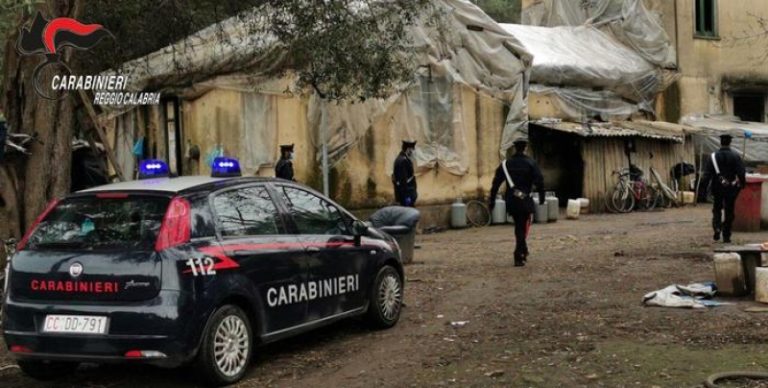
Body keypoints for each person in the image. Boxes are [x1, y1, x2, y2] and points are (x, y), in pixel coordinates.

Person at [489, 138, 545, 267]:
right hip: (526, 200)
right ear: (525, 147)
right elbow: (540, 182)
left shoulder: (505, 164)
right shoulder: (531, 163)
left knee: (518, 226)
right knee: (521, 226)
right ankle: (518, 254)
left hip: (512, 200)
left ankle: (523, 250)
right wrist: (542, 197)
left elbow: (495, 183)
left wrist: (492, 200)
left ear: (514, 148)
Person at [702, 134, 746, 243]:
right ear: (730, 143)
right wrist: (743, 184)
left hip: (717, 187)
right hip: (731, 188)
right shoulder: (736, 156)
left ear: (720, 142)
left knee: (717, 208)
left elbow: (706, 175)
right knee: (729, 211)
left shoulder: (712, 157)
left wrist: (702, 191)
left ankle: (717, 227)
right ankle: (726, 235)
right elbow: (741, 173)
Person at [392, 140, 418, 207]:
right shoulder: (402, 161)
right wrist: (407, 197)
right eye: (413, 149)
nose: (414, 151)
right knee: (409, 215)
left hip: (408, 196)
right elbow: (403, 181)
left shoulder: (403, 159)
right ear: (408, 149)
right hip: (406, 197)